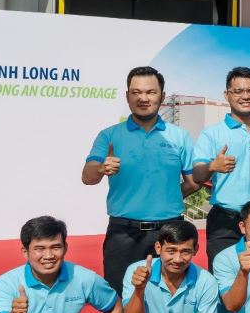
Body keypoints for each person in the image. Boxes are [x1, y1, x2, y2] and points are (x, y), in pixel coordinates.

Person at [82, 65, 197, 296]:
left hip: (169, 233)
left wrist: (166, 196)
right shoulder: (109, 135)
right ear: (127, 96)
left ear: (162, 96)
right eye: (136, 92)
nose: (143, 98)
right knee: (118, 299)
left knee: (168, 299)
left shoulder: (179, 136)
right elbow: (88, 176)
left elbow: (193, 181)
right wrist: (102, 167)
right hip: (123, 234)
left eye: (151, 92)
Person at [192, 66, 250, 263]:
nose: (245, 96)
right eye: (238, 91)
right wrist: (212, 166)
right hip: (225, 222)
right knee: (223, 277)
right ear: (226, 95)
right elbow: (198, 175)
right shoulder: (212, 133)